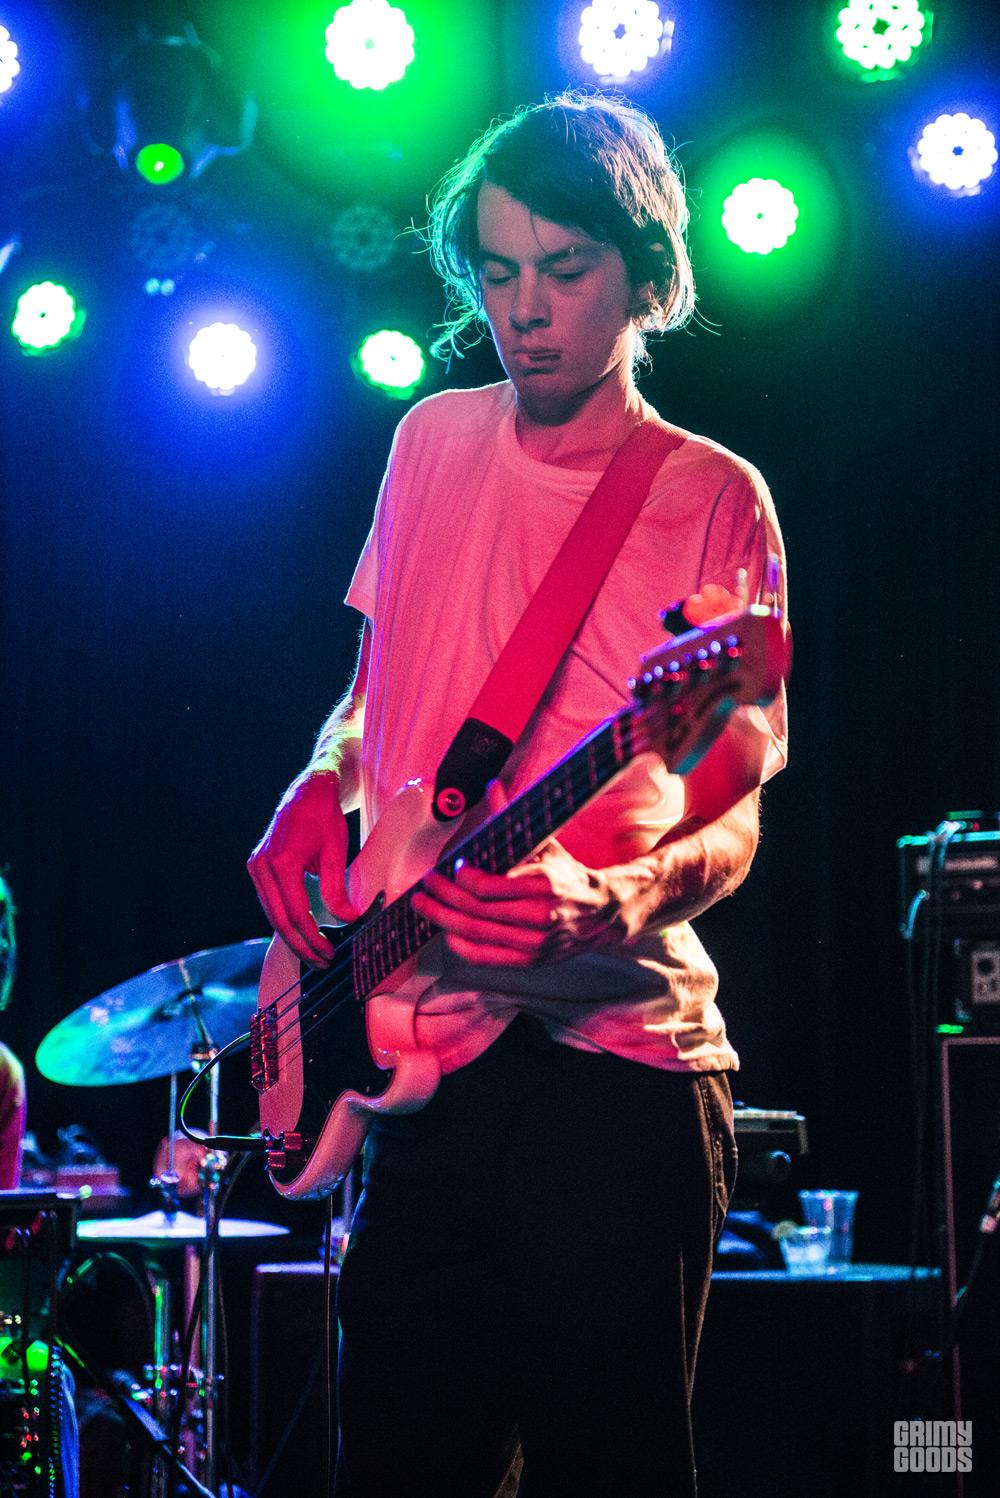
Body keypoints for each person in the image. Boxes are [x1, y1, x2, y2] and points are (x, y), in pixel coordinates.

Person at [248, 90, 787, 1498]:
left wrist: (614, 895)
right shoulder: (427, 442)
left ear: (647, 276)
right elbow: (370, 695)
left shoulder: (709, 496)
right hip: (420, 1056)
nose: (526, 310)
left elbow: (733, 809)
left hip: (615, 1068)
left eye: (566, 268)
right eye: (497, 271)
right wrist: (317, 780)